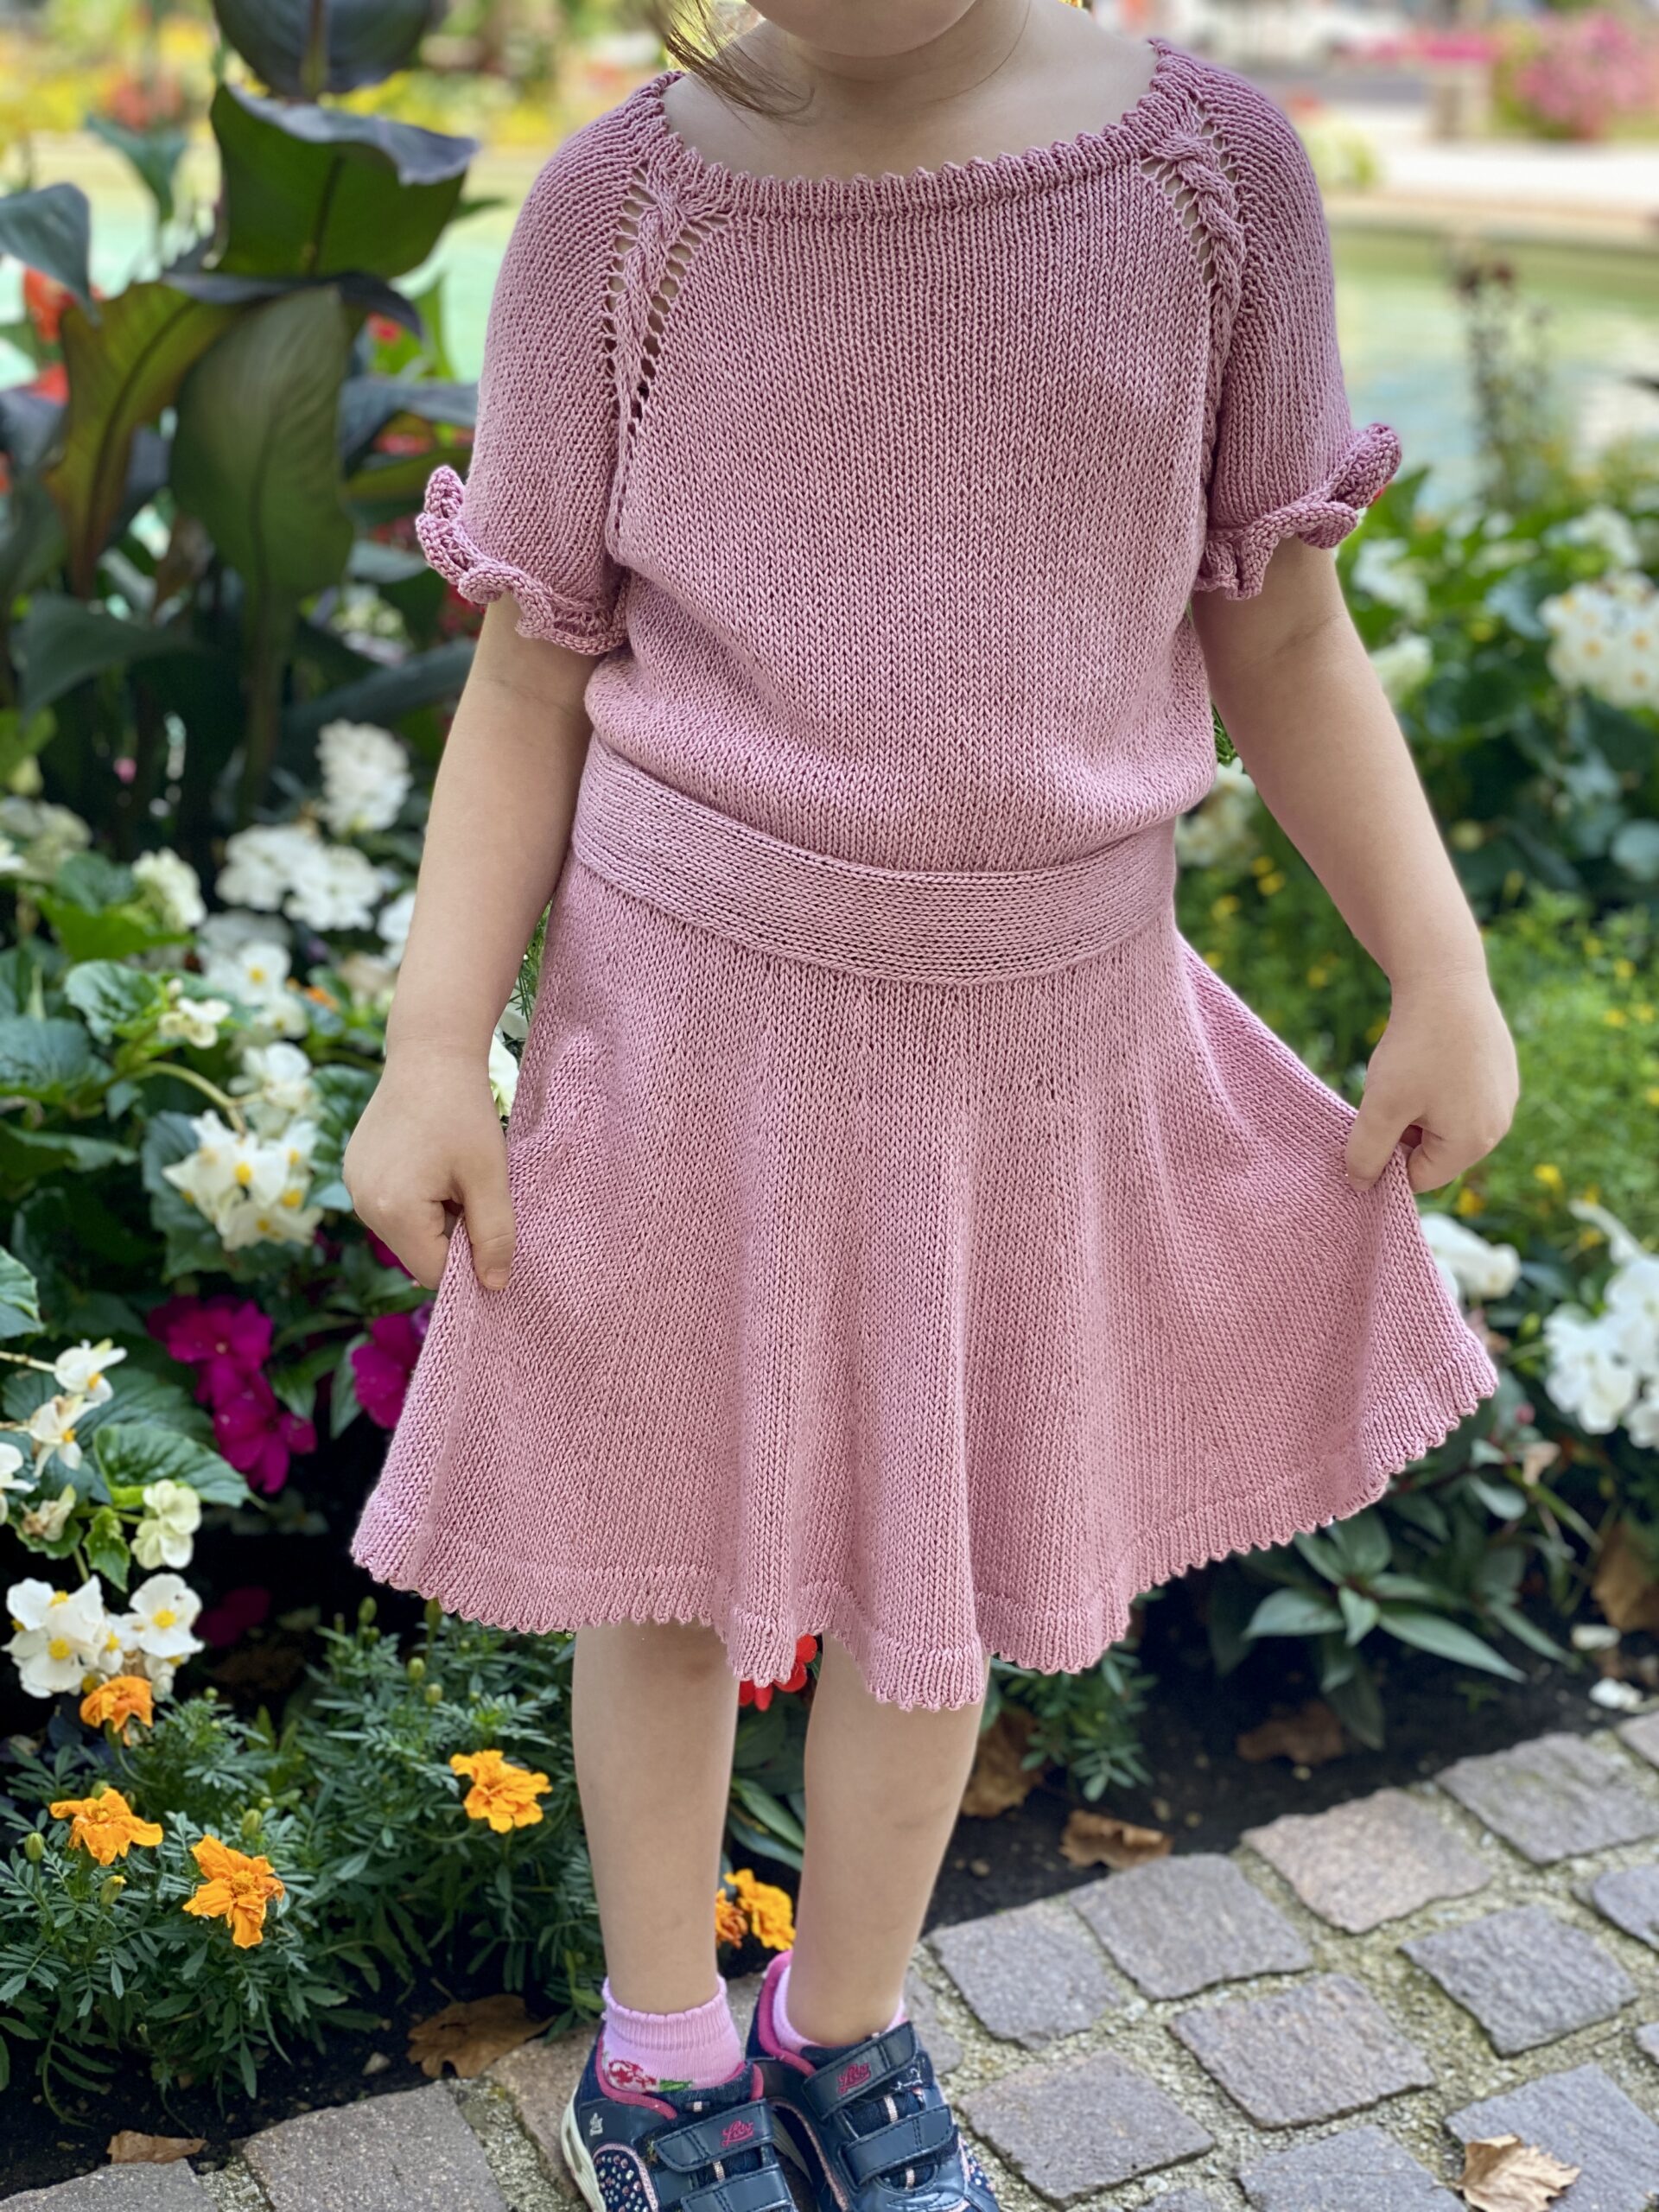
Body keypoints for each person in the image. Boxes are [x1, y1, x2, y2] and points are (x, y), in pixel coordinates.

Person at [344, 3, 1517, 2209]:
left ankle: (846, 2025)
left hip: (1037, 1026)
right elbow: (528, 665)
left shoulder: (1206, 181)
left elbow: (1282, 632)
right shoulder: (629, 210)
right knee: (672, 1565)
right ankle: (664, 2053)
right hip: (694, 1018)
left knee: (947, 1567)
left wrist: (1436, 966)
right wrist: (438, 1050)